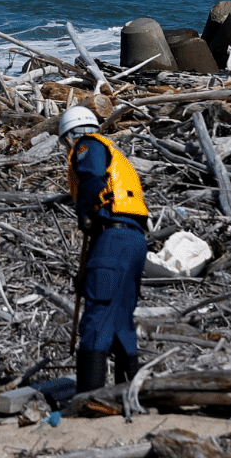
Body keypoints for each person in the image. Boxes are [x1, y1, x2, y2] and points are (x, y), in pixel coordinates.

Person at [58, 105, 149, 394]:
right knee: (121, 318)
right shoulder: (116, 152)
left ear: (71, 135)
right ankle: (128, 393)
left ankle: (88, 397)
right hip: (133, 239)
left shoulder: (87, 145)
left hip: (114, 239)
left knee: (97, 314)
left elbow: (93, 178)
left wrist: (84, 214)